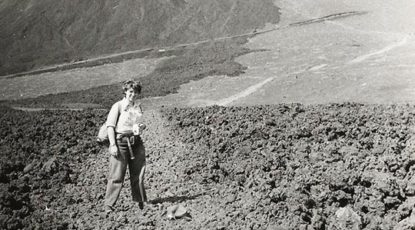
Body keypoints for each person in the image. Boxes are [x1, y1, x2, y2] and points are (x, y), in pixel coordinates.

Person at [104, 79, 147, 214]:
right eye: (131, 92)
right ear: (125, 92)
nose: (133, 95)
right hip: (121, 143)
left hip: (136, 142)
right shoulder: (117, 106)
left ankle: (141, 202)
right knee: (116, 176)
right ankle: (109, 205)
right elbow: (110, 126)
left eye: (136, 92)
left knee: (138, 173)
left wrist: (141, 127)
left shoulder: (138, 107)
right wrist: (112, 145)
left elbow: (140, 123)